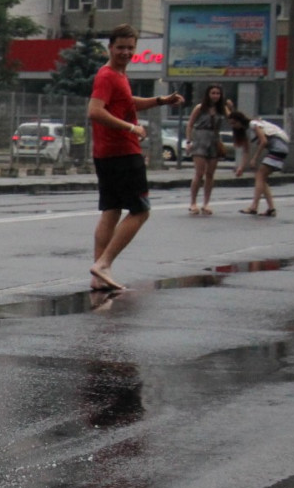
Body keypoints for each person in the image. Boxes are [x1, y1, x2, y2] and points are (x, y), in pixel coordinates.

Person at [86, 24, 185, 291]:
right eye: (121, 47)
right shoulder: (107, 75)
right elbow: (95, 111)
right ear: (110, 47)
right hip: (122, 152)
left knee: (111, 210)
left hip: (106, 153)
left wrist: (161, 100)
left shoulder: (117, 76)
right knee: (141, 211)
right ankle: (104, 264)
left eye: (130, 48)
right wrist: (131, 127)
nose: (126, 52)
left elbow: (127, 102)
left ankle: (98, 276)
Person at [185, 85, 229, 215]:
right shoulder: (200, 108)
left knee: (210, 174)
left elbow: (232, 119)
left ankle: (206, 203)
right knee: (199, 173)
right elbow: (190, 124)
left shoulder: (222, 109)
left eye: (217, 93)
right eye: (213, 93)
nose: (215, 96)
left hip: (214, 141)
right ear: (208, 94)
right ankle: (193, 202)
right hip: (200, 139)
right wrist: (188, 141)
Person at [240, 114, 290, 216]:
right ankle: (271, 209)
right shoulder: (260, 123)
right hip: (282, 149)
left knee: (259, 175)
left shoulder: (254, 124)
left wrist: (254, 158)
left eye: (233, 123)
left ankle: (254, 207)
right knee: (262, 179)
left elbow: (263, 141)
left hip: (277, 149)